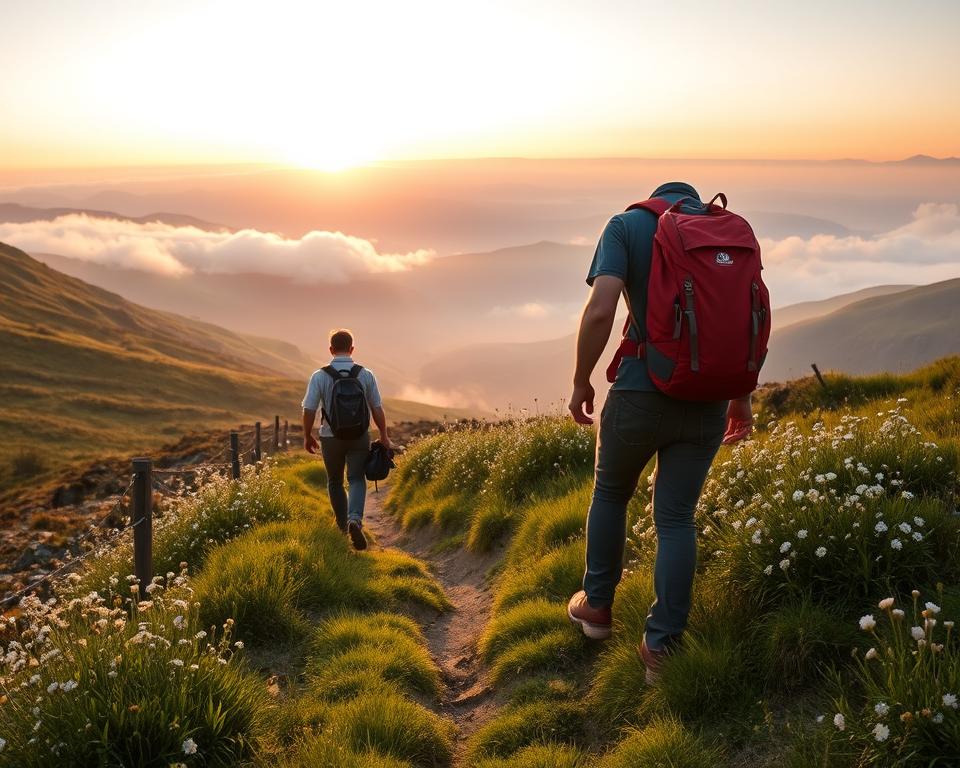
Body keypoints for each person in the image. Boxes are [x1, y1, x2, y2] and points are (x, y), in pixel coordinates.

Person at [566, 182, 754, 683]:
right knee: (675, 518)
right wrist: (741, 396)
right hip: (709, 398)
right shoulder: (727, 234)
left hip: (639, 393)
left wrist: (582, 379)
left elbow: (603, 308)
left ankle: (598, 608)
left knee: (610, 494)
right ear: (692, 202)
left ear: (653, 197)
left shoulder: (626, 226)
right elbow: (743, 319)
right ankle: (662, 646)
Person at [302, 329, 392, 550]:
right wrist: (383, 435)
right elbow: (376, 407)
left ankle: (342, 528)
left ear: (331, 349)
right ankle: (355, 519)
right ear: (352, 349)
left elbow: (309, 409)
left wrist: (307, 435)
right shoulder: (365, 374)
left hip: (330, 438)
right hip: (359, 437)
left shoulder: (320, 376)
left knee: (334, 481)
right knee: (356, 479)